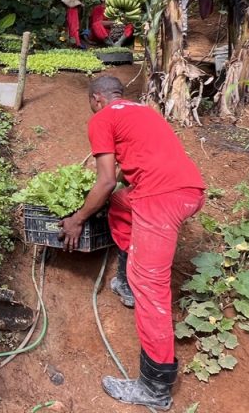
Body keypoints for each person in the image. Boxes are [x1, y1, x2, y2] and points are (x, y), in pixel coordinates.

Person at [59, 76, 205, 411]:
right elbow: (129, 174)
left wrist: (78, 218)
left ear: (98, 99)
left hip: (162, 200)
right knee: (122, 204)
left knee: (151, 289)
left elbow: (107, 180)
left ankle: (155, 387)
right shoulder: (144, 112)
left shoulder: (102, 118)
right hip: (189, 191)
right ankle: (125, 282)